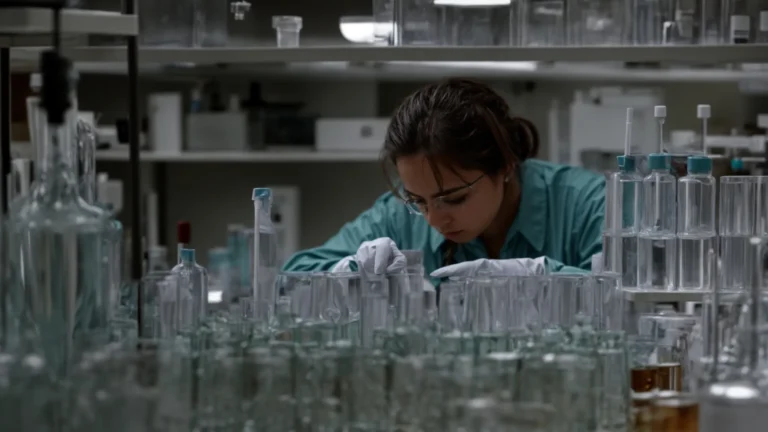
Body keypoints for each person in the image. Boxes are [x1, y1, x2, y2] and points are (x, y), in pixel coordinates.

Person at [282, 78, 605, 283]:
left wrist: (553, 279)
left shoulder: (588, 205)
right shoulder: (398, 218)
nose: (434, 219)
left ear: (505, 165)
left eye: (453, 198)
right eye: (418, 201)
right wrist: (348, 272)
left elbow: (633, 300)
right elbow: (292, 277)